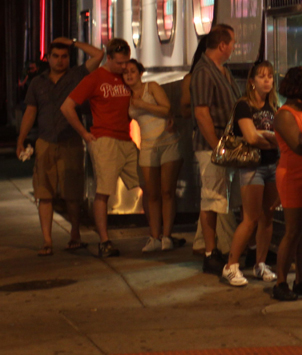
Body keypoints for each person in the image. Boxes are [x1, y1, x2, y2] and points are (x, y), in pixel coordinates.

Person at [16, 37, 104, 255]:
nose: (60, 60)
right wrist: (21, 139)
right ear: (48, 58)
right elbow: (31, 111)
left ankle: (75, 234)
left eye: (64, 56)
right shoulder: (37, 82)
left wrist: (73, 43)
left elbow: (99, 55)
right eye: (55, 56)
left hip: (70, 140)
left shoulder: (76, 76)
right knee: (44, 193)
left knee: (72, 194)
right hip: (45, 141)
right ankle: (47, 241)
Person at [60, 38, 136, 258]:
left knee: (147, 182)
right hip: (104, 139)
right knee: (103, 192)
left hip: (126, 139)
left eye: (126, 62)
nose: (123, 67)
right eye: (119, 62)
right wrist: (84, 134)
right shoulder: (95, 78)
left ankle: (157, 235)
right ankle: (104, 241)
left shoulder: (127, 76)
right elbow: (67, 107)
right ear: (108, 58)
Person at [222, 60, 281, 287]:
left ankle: (260, 263)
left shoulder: (273, 105)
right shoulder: (243, 105)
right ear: (252, 81)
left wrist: (268, 140)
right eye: (261, 76)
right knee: (251, 218)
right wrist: (273, 142)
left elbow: (275, 135)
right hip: (252, 166)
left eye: (270, 76)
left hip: (272, 165)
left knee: (267, 217)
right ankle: (231, 265)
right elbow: (251, 137)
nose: (267, 80)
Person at [190, 24, 241, 274]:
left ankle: (218, 249)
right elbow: (202, 113)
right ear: (222, 45)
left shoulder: (223, 70)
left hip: (226, 144)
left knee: (221, 198)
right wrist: (216, 146)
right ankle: (210, 253)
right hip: (212, 146)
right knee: (211, 199)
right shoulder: (204, 72)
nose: (233, 48)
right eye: (232, 43)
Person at [123, 59, 183, 253]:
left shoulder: (152, 87)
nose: (129, 75)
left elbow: (166, 109)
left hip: (168, 142)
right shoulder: (126, 96)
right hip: (147, 146)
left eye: (133, 71)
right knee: (151, 193)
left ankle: (167, 236)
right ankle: (154, 236)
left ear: (140, 73)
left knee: (167, 191)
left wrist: (142, 104)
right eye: (126, 72)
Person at [271, 66, 302, 301]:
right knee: (292, 231)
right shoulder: (285, 114)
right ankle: (281, 281)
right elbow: (298, 145)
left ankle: (301, 279)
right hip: (293, 175)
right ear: (300, 88)